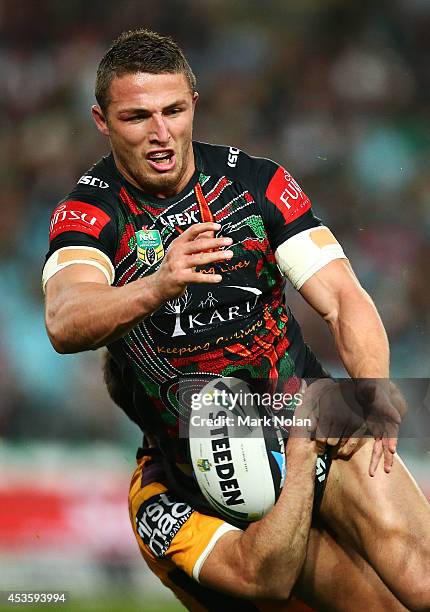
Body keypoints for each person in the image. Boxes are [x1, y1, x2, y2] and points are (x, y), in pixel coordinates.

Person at [42, 29, 430, 611]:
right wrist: (159, 283)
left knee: (422, 581)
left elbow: (344, 295)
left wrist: (370, 388)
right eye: (136, 116)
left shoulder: (255, 184)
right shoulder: (89, 214)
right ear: (102, 120)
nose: (160, 132)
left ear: (194, 103)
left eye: (174, 110)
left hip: (308, 405)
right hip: (212, 464)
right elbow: (64, 321)